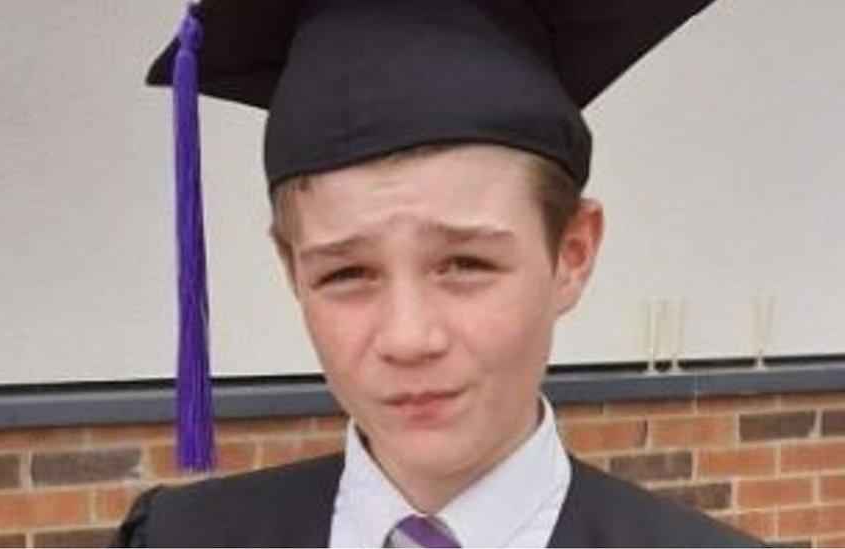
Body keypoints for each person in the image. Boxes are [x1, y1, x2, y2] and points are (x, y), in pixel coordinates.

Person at [114, 0, 762, 546]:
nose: (408, 337)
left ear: (572, 253)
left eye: (466, 263)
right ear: (291, 268)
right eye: (346, 273)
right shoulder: (183, 538)